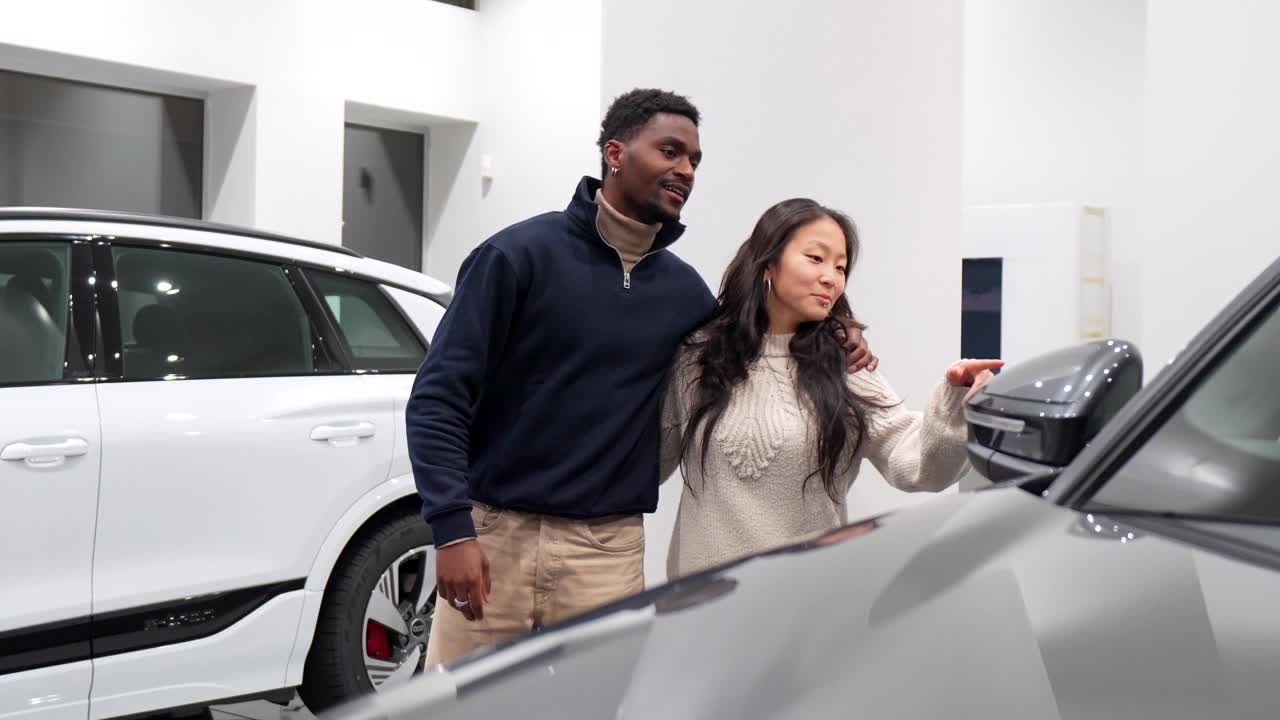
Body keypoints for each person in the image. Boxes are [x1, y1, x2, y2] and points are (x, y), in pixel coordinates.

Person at [407, 89, 877, 668]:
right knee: (467, 708)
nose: (686, 171)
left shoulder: (684, 295)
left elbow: (752, 341)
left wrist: (836, 331)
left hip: (608, 552)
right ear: (616, 153)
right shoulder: (517, 256)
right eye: (671, 152)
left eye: (695, 161)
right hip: (493, 539)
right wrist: (452, 529)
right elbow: (437, 399)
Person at [660, 198, 1002, 579]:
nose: (831, 278)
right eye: (816, 258)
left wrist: (955, 401)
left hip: (806, 602)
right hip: (701, 601)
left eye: (840, 267)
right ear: (768, 262)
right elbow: (653, 462)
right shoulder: (700, 356)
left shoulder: (847, 364)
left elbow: (920, 467)